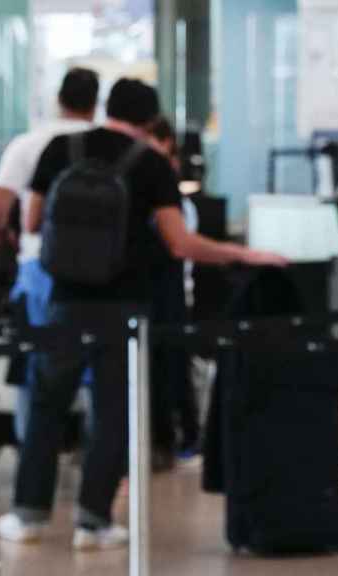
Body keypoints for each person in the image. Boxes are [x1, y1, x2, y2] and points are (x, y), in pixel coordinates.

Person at [0, 79, 287, 550]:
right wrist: (242, 254)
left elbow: (30, 221)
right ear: (151, 121)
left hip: (63, 300)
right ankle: (93, 521)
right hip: (125, 304)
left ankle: (29, 515)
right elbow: (180, 243)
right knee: (114, 412)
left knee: (49, 404)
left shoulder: (60, 148)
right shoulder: (151, 164)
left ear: (106, 107)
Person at [0, 67, 100, 443]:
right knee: (99, 369)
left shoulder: (28, 143)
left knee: (36, 367)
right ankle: (98, 460)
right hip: (100, 272)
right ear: (95, 102)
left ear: (58, 99)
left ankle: (33, 458)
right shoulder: (105, 145)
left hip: (39, 266)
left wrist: (6, 236)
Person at [147, 117, 201, 469]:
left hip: (170, 290)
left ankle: (182, 436)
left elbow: (181, 243)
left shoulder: (174, 195)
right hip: (147, 290)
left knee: (174, 365)